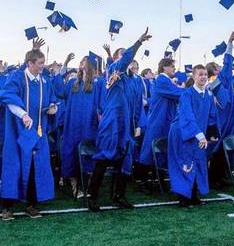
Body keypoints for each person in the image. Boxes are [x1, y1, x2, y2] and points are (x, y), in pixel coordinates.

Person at [87, 28, 151, 212]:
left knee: (125, 160)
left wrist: (138, 123)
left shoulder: (136, 80)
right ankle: (92, 196)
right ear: (116, 58)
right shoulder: (114, 70)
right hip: (112, 123)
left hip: (128, 126)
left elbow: (138, 104)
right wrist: (138, 42)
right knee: (104, 157)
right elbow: (125, 59)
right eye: (122, 55)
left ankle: (119, 196)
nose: (127, 58)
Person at [0, 43, 58, 220]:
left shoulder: (44, 81)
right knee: (14, 166)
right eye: (40, 63)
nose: (43, 66)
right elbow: (7, 97)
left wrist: (53, 108)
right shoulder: (17, 77)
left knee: (36, 166)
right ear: (30, 63)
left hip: (38, 130)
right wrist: (23, 114)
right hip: (18, 131)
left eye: (43, 63)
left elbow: (52, 100)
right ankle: (6, 208)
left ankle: (31, 205)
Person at [168, 65, 219, 207]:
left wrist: (212, 132)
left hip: (198, 133)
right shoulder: (187, 94)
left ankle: (194, 196)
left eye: (205, 75)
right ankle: (183, 198)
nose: (203, 77)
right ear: (194, 77)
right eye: (200, 74)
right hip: (182, 132)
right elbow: (187, 116)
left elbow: (212, 115)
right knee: (185, 163)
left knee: (198, 162)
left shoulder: (208, 95)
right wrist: (199, 135)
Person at [59, 54, 100, 199]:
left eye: (84, 60)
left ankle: (85, 185)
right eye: (81, 60)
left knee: (87, 155)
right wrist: (64, 65)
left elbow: (101, 106)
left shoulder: (97, 84)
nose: (81, 62)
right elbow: (59, 91)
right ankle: (75, 186)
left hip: (89, 125)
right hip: (72, 125)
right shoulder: (72, 84)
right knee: (70, 154)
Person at [206, 30, 234, 188]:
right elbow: (227, 62)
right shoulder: (214, 82)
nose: (221, 66)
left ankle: (222, 176)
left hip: (230, 116)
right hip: (222, 118)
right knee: (219, 149)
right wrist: (229, 42)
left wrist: (230, 44)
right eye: (217, 66)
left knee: (227, 148)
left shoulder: (222, 78)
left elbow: (227, 63)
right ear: (214, 70)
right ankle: (214, 178)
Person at [139, 58, 185, 167]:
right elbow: (177, 93)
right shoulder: (161, 80)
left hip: (165, 116)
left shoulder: (166, 80)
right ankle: (144, 173)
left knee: (161, 146)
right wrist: (193, 91)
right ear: (164, 67)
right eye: (172, 66)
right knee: (154, 145)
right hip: (160, 118)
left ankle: (156, 172)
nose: (174, 68)